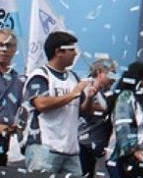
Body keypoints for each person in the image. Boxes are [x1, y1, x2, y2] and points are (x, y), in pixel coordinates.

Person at [23, 30, 98, 176]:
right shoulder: (40, 75)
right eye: (71, 50)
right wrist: (73, 94)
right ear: (59, 52)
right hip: (44, 147)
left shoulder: (73, 77)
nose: (75, 54)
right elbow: (41, 104)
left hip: (71, 150)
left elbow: (83, 111)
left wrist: (89, 97)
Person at [108, 61, 143, 177]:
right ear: (139, 79)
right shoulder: (126, 97)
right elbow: (122, 125)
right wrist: (134, 151)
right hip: (126, 161)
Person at [79, 57, 117, 178]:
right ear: (100, 72)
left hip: (93, 149)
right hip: (82, 147)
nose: (114, 79)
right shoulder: (86, 85)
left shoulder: (104, 93)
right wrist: (105, 109)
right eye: (111, 74)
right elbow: (83, 109)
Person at [0, 29, 25, 167]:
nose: (4, 49)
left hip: (6, 140)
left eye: (8, 45)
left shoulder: (19, 81)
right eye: (0, 45)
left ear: (15, 49)